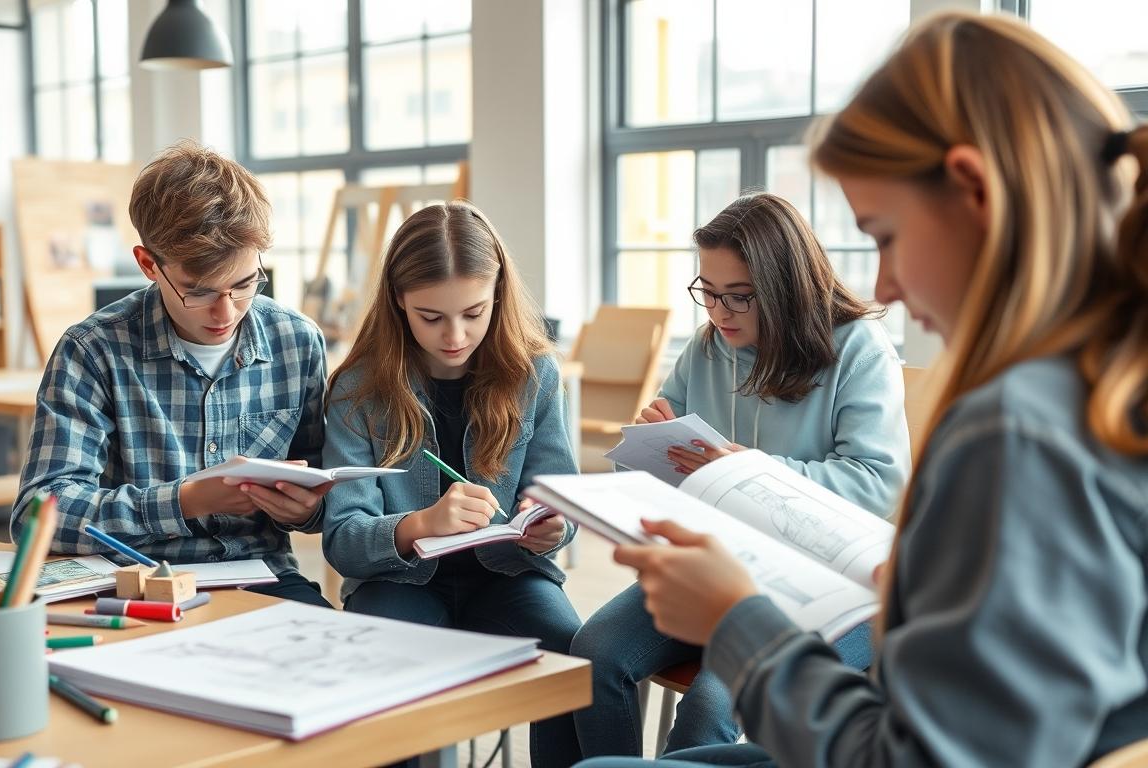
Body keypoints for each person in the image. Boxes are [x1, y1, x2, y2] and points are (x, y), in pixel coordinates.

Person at [579, 11, 1148, 767]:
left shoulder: (1013, 429)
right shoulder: (1096, 388)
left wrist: (738, 619)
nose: (883, 283)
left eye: (884, 235)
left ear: (972, 190)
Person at [572, 192, 909, 757]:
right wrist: (656, 435)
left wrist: (747, 470)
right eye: (707, 292)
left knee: (710, 704)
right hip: (720, 559)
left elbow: (877, 481)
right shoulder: (707, 348)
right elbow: (669, 440)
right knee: (593, 656)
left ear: (785, 287)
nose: (718, 312)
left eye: (739, 297)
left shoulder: (857, 347)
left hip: (833, 583)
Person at [12, 140, 334, 608]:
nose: (226, 311)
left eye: (244, 284)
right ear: (148, 265)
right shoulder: (93, 350)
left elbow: (317, 481)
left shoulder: (297, 341)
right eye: (198, 291)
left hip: (261, 578)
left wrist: (308, 509)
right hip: (133, 584)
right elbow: (38, 514)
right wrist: (186, 501)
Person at [322, 202, 583, 767]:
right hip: (399, 583)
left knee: (574, 653)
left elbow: (565, 508)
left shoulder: (533, 374)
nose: (455, 335)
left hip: (509, 578)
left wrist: (552, 529)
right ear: (398, 301)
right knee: (386, 667)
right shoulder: (357, 389)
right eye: (431, 317)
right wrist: (418, 526)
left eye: (474, 312)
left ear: (498, 295)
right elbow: (342, 540)